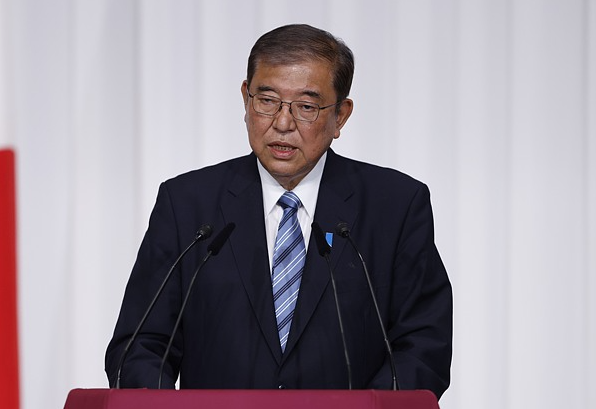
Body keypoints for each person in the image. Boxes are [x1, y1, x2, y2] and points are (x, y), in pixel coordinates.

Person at [104, 23, 452, 399]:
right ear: (245, 99)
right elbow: (139, 345)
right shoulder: (188, 204)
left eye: (306, 106)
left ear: (341, 116)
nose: (282, 124)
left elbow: (422, 347)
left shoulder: (395, 207)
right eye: (266, 101)